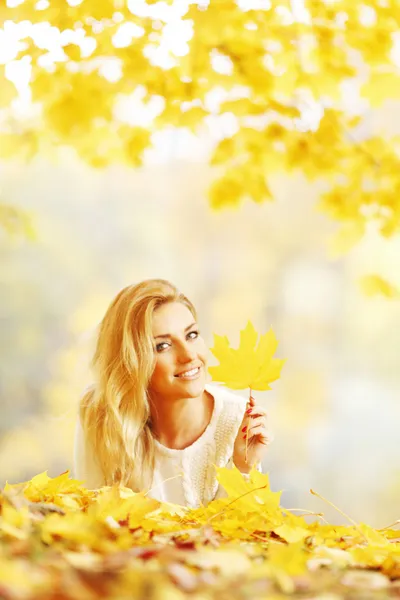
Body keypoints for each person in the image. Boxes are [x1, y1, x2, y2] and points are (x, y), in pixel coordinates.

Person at [74, 279, 272, 508]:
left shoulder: (239, 421)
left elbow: (239, 537)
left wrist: (242, 469)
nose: (189, 355)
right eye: (163, 346)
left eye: (192, 335)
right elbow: (92, 519)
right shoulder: (102, 412)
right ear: (132, 362)